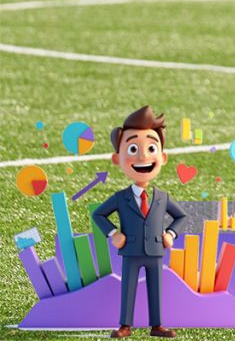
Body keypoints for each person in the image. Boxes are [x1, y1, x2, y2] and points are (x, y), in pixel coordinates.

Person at [93, 106, 186, 339]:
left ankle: (157, 325)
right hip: (131, 250)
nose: (143, 157)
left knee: (156, 288)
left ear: (162, 157)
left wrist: (171, 234)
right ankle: (125, 325)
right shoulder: (120, 197)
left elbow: (181, 216)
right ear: (117, 159)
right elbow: (98, 215)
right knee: (129, 287)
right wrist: (113, 233)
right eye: (133, 149)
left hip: (155, 249)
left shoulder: (162, 197)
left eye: (151, 148)